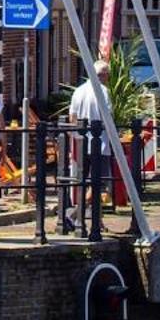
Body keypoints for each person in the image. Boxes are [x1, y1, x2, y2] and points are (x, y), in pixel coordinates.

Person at [67, 59, 113, 210]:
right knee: (97, 181)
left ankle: (93, 220)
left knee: (82, 180)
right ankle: (75, 214)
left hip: (81, 142)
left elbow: (72, 117)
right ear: (104, 75)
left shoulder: (78, 91)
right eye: (107, 75)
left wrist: (74, 138)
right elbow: (108, 117)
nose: (107, 79)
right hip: (100, 143)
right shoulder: (103, 92)